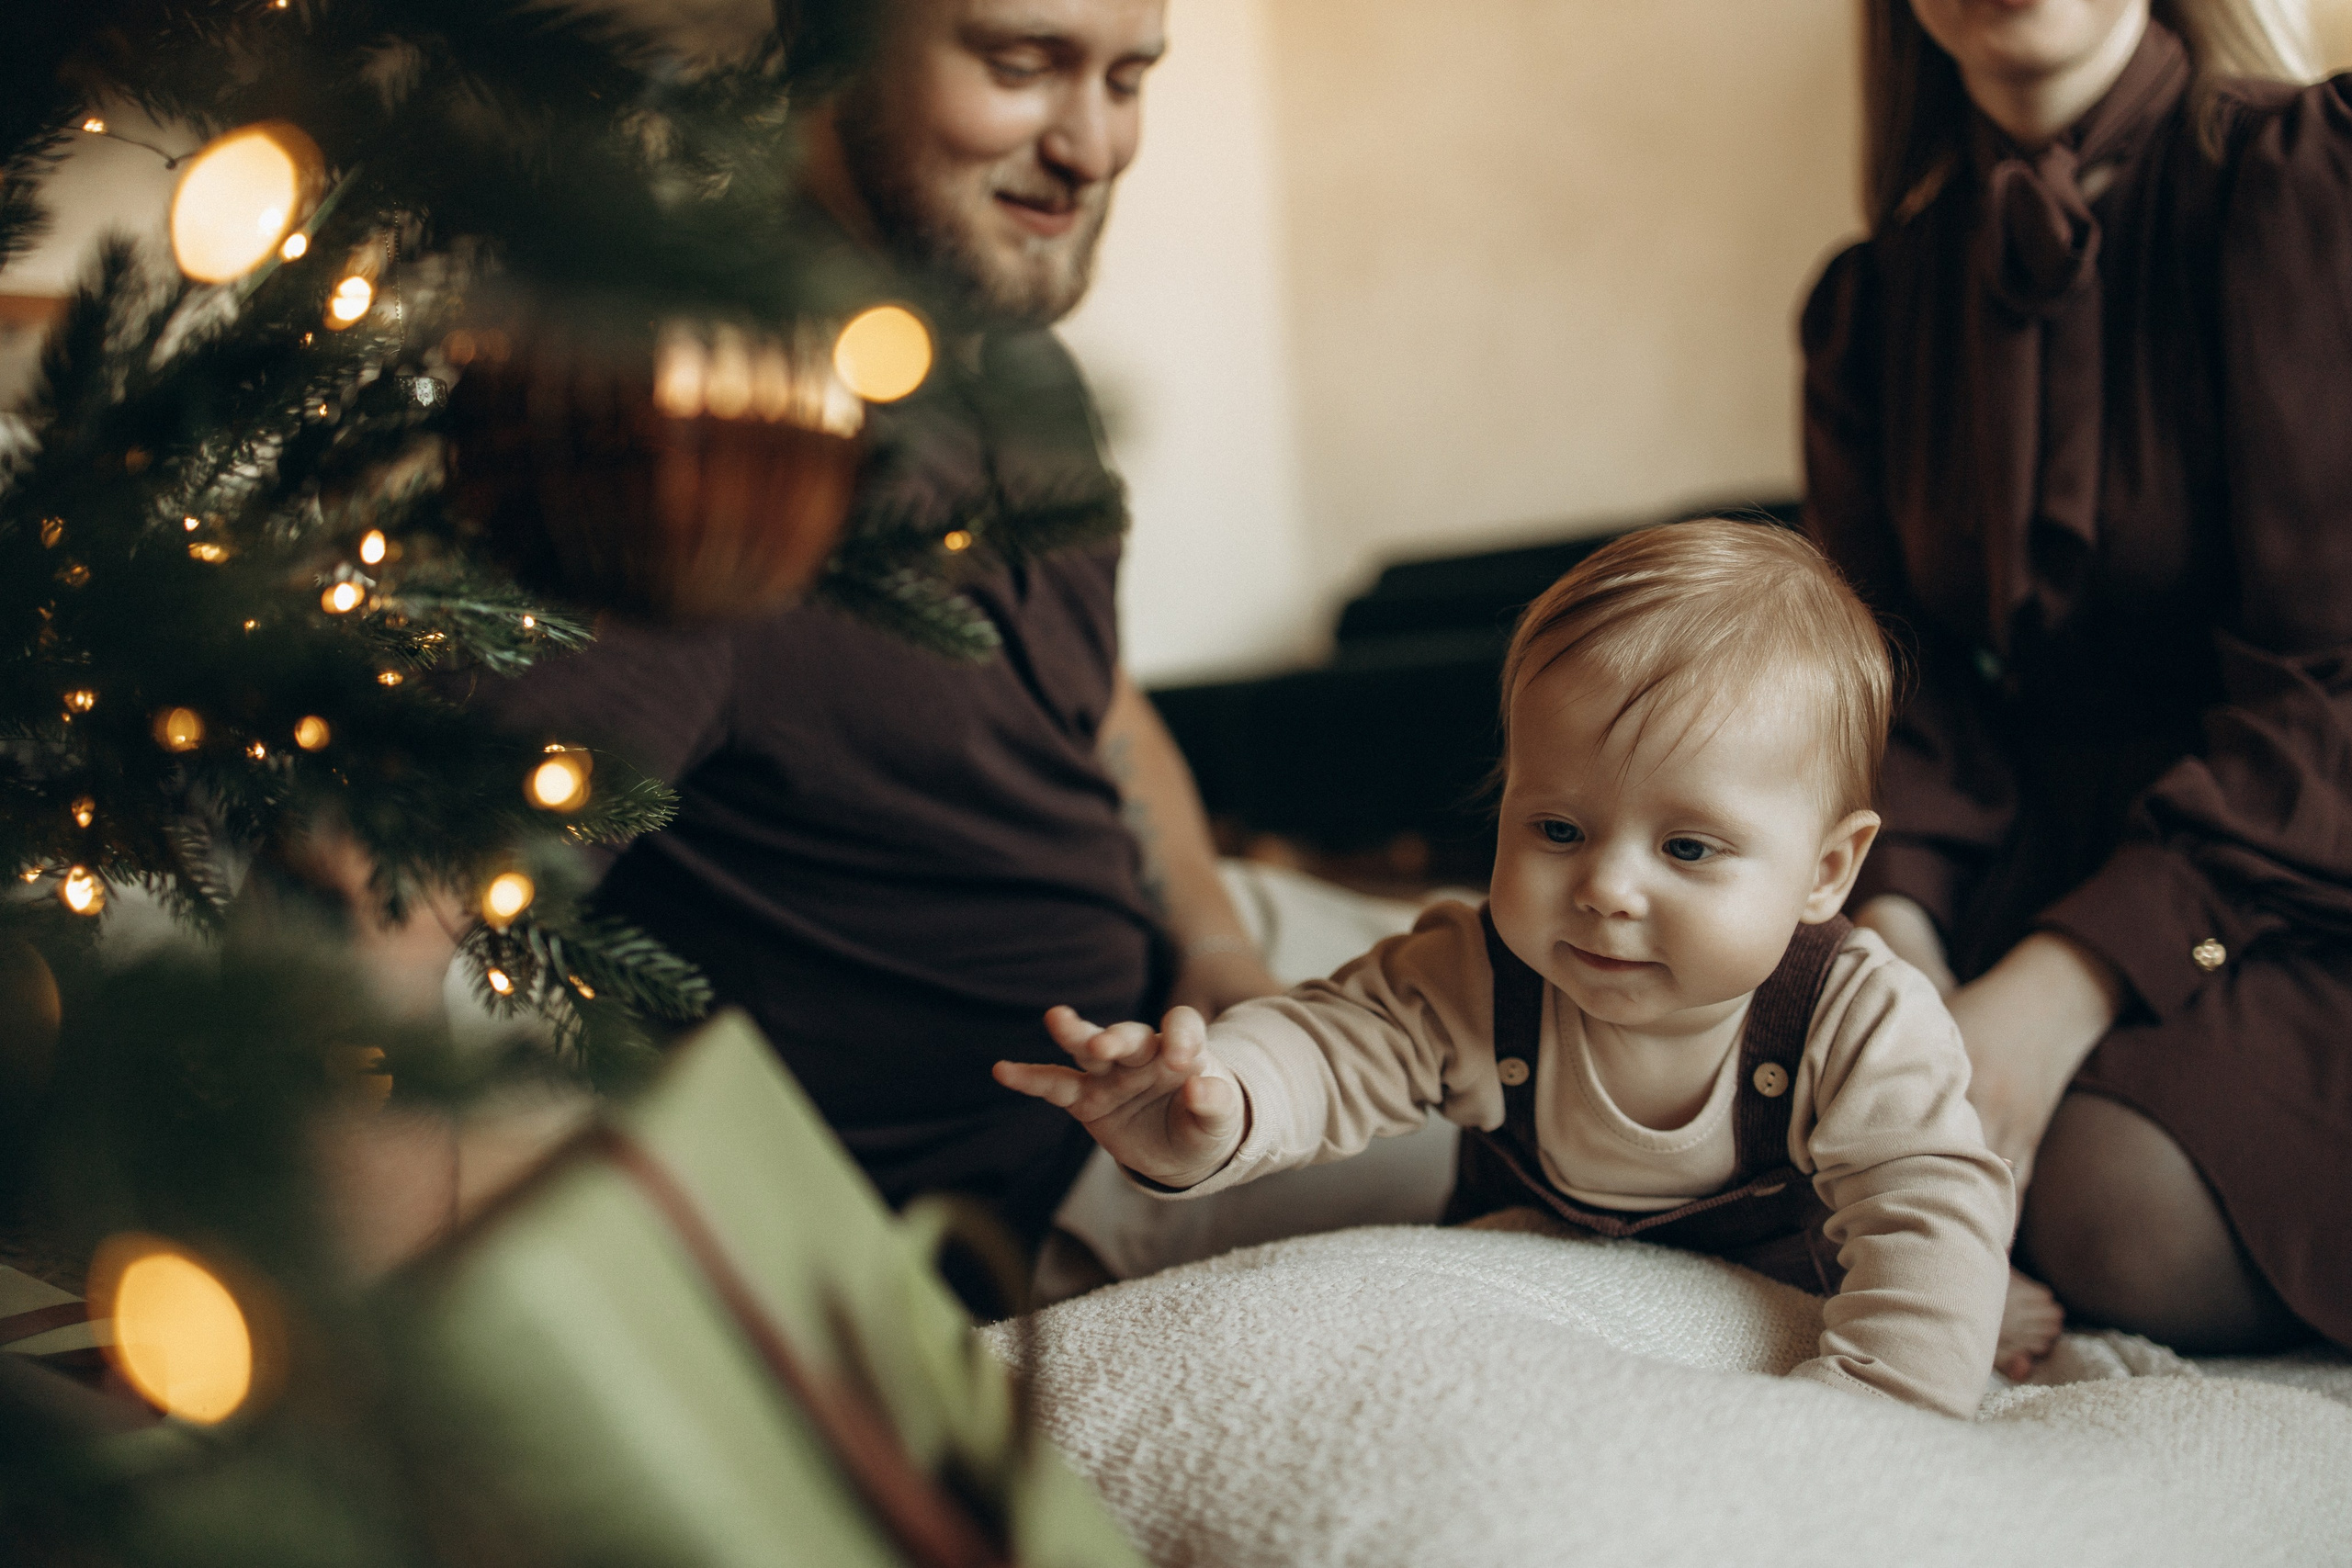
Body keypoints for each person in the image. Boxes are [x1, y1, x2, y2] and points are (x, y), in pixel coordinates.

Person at [483, 0, 1285, 1259]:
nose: (1094, 145)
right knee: (1599, 1105)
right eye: (1023, 65)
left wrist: (1220, 941)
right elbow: (398, 913)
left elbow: (1103, 702)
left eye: (1129, 79)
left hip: (1197, 990)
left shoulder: (1024, 368)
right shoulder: (703, 440)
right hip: (1036, 1187)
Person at [998, 522, 2018, 1417]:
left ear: (1826, 870)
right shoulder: (1480, 971)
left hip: (1780, 1299)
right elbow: (1334, 1040)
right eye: (1558, 828)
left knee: (1944, 1277)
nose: (1605, 889)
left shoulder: (1859, 1017)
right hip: (1532, 1286)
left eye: (1688, 849)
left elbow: (1925, 1202)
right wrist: (1217, 1101)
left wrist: (1884, 1404)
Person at [1804, 0, 2348, 1358]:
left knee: (2115, 1196)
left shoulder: (2305, 180)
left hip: (2299, 858)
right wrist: (1905, 930)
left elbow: (2333, 675)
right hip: (2028, 853)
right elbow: (1900, 682)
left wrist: (2072, 981)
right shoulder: (1872, 302)